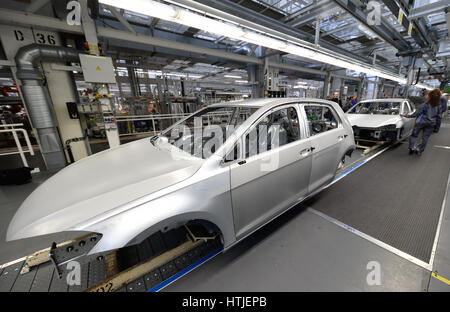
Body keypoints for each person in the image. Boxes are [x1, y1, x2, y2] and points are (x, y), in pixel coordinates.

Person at [404, 88, 442, 156]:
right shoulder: (439, 106)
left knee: (414, 135)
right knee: (425, 138)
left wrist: (406, 115)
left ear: (430, 97)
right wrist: (437, 128)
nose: (427, 95)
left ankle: (412, 147)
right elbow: (439, 117)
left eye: (428, 95)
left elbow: (415, 114)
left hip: (421, 122)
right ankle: (419, 150)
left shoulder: (425, 105)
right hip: (431, 124)